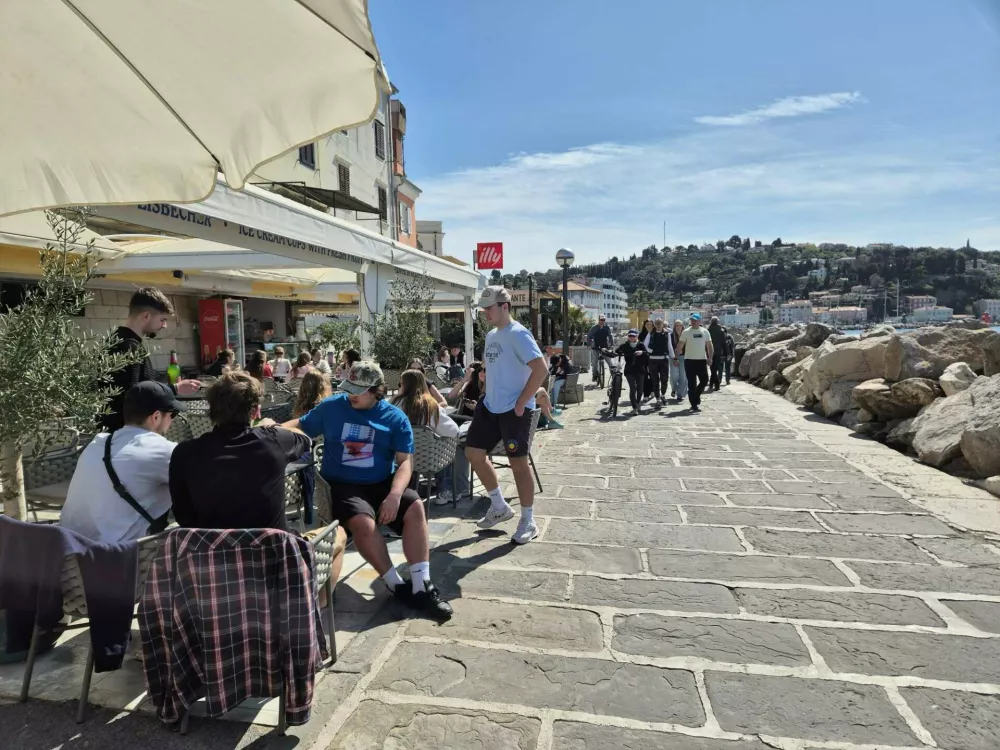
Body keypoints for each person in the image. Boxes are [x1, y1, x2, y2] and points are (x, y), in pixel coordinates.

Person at [282, 362, 452, 619]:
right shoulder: (333, 407)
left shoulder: (395, 418)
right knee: (364, 522)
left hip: (382, 482)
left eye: (358, 390)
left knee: (415, 506)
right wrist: (273, 427)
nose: (351, 395)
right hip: (342, 484)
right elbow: (301, 424)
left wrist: (394, 496)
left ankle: (422, 585)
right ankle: (396, 584)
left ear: (377, 390)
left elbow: (405, 462)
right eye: (349, 388)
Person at [168, 371, 312, 530]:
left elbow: (183, 516)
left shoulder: (184, 454)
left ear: (212, 410)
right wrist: (272, 426)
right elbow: (306, 440)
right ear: (256, 411)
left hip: (211, 550)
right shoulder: (273, 441)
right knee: (338, 533)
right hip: (271, 550)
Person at [466, 286, 548, 544]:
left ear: (505, 306)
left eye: (489, 307)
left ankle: (528, 520)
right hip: (490, 405)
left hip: (514, 410)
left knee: (518, 465)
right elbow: (495, 366)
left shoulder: (519, 334)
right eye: (484, 308)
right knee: (473, 454)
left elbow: (541, 369)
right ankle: (499, 505)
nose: (485, 312)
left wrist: (523, 402)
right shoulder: (492, 335)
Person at [60, 382, 182, 544]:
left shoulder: (98, 442)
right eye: (172, 414)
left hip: (68, 548)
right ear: (156, 416)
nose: (172, 420)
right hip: (114, 556)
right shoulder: (162, 449)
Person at [101, 288, 200, 431]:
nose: (164, 326)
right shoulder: (129, 347)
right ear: (146, 316)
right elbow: (135, 396)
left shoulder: (115, 341)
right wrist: (175, 388)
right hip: (127, 436)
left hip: (116, 434)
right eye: (162, 320)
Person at [391, 369, 470, 505]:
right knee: (448, 443)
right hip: (428, 458)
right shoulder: (430, 405)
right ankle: (445, 489)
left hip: (400, 457)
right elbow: (453, 431)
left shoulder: (394, 405)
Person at [677, 313, 713, 412]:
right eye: (692, 320)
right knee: (692, 383)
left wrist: (710, 358)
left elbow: (709, 346)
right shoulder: (686, 332)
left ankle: (696, 395)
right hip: (689, 360)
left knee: (704, 381)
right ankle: (694, 404)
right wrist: (675, 357)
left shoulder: (705, 331)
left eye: (695, 320)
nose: (693, 322)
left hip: (701, 360)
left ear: (699, 321)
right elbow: (680, 345)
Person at [613, 329, 649, 415]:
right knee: (633, 388)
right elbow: (617, 350)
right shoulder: (625, 345)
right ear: (628, 337)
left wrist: (642, 352)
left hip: (640, 370)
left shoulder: (641, 345)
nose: (632, 338)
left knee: (640, 389)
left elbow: (647, 355)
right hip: (629, 370)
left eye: (633, 336)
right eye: (630, 336)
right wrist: (617, 351)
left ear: (637, 336)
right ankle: (635, 407)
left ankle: (638, 403)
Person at [643, 318, 671, 407]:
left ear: (663, 324)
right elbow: (644, 345)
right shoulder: (650, 334)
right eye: (657, 323)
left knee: (665, 379)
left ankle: (663, 395)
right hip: (653, 360)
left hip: (664, 359)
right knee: (655, 380)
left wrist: (674, 358)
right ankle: (658, 398)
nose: (658, 325)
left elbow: (669, 346)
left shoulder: (667, 334)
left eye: (660, 323)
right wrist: (650, 351)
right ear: (655, 324)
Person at [586, 315, 614, 381]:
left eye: (604, 320)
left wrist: (612, 344)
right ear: (598, 320)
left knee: (610, 362)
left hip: (605, 347)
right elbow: (589, 336)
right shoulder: (594, 328)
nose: (602, 321)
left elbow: (610, 336)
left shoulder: (607, 327)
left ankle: (614, 376)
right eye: (601, 320)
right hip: (596, 347)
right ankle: (594, 375)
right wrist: (589, 345)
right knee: (595, 362)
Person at [669, 319, 688, 402]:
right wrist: (675, 356)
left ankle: (680, 394)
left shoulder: (686, 335)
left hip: (684, 357)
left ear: (682, 326)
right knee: (674, 375)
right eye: (676, 325)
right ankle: (674, 388)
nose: (678, 327)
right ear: (674, 327)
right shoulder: (670, 336)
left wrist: (683, 351)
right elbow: (669, 347)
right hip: (673, 357)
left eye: (680, 325)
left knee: (683, 376)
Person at [708, 317, 728, 392]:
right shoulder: (721, 331)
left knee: (712, 369)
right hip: (718, 352)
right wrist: (727, 353)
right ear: (718, 322)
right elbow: (724, 343)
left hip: (710, 352)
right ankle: (716, 384)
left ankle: (712, 384)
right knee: (715, 369)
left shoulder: (708, 330)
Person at [640, 320, 656, 401]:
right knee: (645, 376)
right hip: (643, 358)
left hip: (654, 358)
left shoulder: (655, 334)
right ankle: (646, 394)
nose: (649, 326)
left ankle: (653, 390)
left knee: (653, 375)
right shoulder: (641, 335)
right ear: (644, 325)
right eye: (647, 324)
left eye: (650, 324)